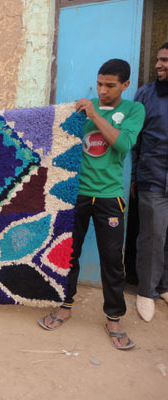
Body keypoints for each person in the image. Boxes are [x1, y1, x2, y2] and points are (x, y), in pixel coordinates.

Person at [37, 59, 145, 350]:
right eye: (99, 84)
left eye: (109, 85)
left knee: (112, 259)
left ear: (125, 85)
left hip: (110, 196)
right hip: (77, 194)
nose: (102, 90)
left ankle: (113, 318)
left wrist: (95, 115)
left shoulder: (133, 110)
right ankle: (65, 306)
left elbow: (122, 145)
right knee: (68, 253)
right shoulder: (81, 111)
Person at [131, 42, 168, 322]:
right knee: (152, 236)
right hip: (153, 177)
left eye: (165, 61)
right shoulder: (145, 95)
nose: (158, 65)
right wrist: (134, 176)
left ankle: (164, 285)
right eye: (158, 60)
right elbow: (135, 140)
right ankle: (146, 291)